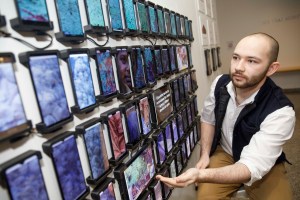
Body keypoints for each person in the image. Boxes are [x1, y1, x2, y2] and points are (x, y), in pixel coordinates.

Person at [156, 33, 296, 200]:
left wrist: (200, 175)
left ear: (272, 68)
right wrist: (205, 154)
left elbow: (251, 167)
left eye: (251, 61)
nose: (239, 67)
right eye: (236, 58)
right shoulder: (220, 84)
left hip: (264, 164)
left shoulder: (281, 111)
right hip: (226, 153)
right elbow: (208, 119)